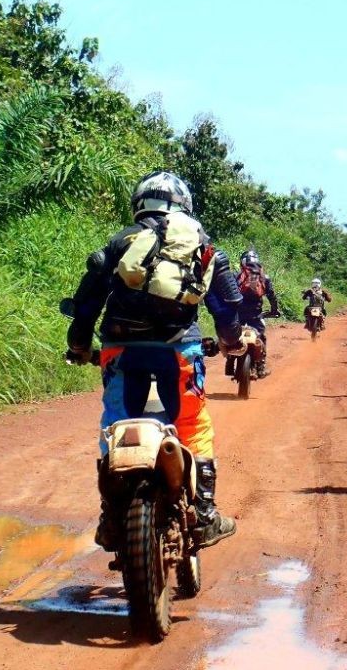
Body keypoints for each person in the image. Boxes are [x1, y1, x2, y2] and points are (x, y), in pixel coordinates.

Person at [65, 170, 242, 552]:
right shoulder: (202, 245)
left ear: (139, 204)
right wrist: (232, 344)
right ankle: (204, 515)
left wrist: (79, 346)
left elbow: (86, 306)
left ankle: (111, 517)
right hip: (179, 351)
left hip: (120, 349)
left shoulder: (120, 242)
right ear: (184, 205)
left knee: (115, 424)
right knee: (192, 424)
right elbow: (226, 309)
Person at [232, 249, 280, 378]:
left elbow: (227, 294)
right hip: (256, 316)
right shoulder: (264, 277)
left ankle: (230, 362)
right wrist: (274, 310)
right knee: (261, 338)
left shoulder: (236, 276)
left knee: (231, 337)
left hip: (237, 315)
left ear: (242, 262)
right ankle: (260, 368)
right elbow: (272, 297)